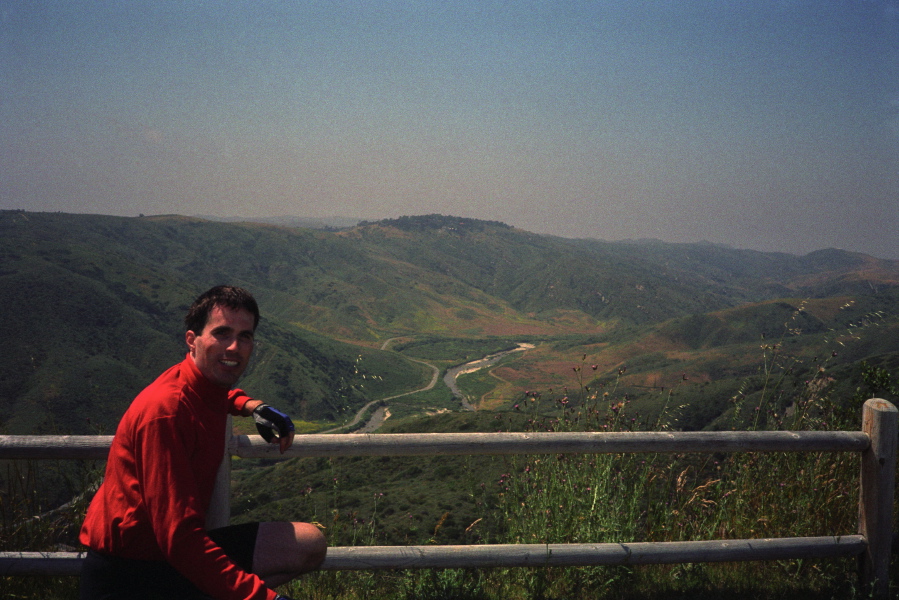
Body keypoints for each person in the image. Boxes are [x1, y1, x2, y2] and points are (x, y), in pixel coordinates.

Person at [79, 286, 326, 600]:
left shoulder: (197, 383)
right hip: (129, 573)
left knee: (309, 544)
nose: (235, 347)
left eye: (245, 336)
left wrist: (251, 406)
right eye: (222, 333)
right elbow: (179, 539)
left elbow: (213, 393)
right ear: (192, 340)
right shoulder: (164, 413)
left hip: (169, 556)